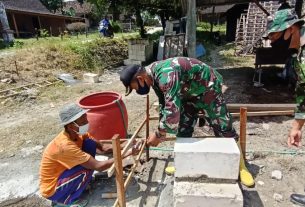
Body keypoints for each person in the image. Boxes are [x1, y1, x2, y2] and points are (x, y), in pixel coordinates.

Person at [119, 57, 254, 187]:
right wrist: (161, 128)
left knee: (224, 128)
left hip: (207, 88)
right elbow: (164, 103)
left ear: (140, 78)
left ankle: (240, 166)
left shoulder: (166, 75)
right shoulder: (152, 76)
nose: (137, 91)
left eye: (135, 87)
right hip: (188, 94)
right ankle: (182, 162)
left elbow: (172, 109)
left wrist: (159, 134)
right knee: (183, 128)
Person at [39, 103, 139, 207]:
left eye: (86, 120)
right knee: (85, 169)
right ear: (70, 125)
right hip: (52, 188)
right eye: (83, 122)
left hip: (64, 174)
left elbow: (103, 148)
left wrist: (126, 144)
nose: (87, 123)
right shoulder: (64, 146)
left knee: (89, 144)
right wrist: (128, 153)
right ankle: (66, 201)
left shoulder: (79, 134)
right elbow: (98, 166)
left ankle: (79, 184)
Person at [266, 5, 305, 205]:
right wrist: (297, 126)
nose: (272, 40)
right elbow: (304, 90)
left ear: (291, 28)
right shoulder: (299, 52)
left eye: (275, 35)